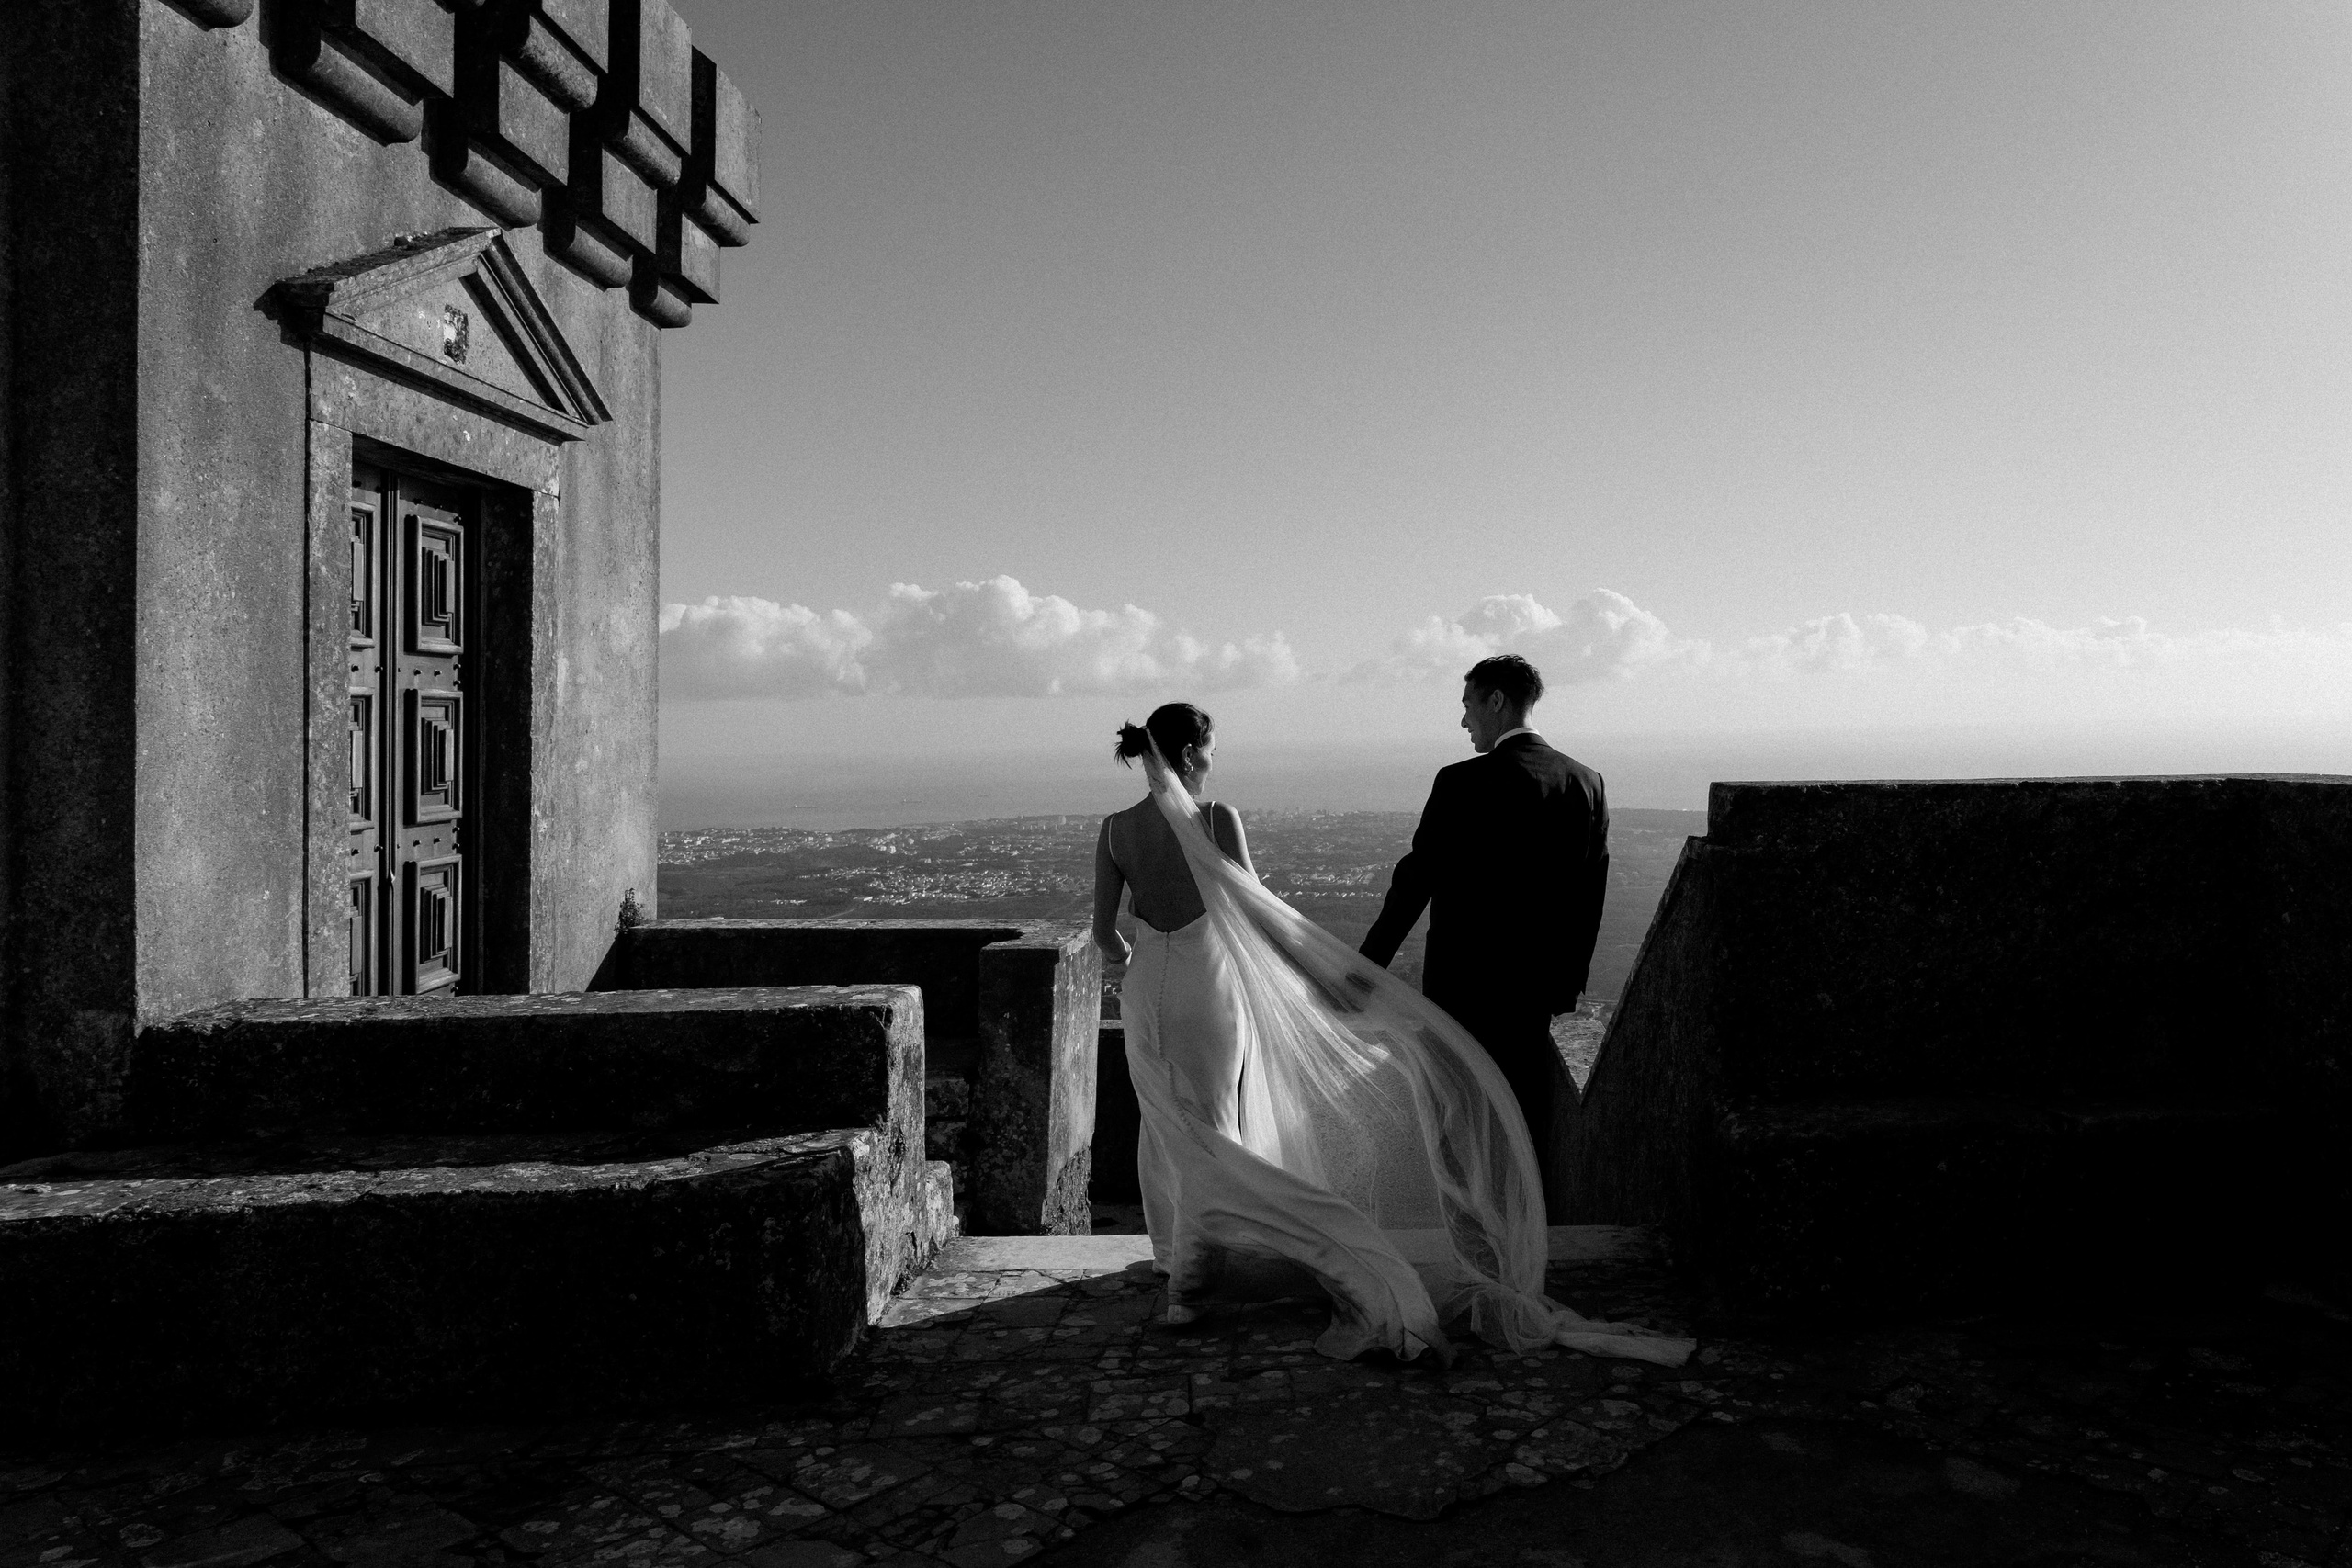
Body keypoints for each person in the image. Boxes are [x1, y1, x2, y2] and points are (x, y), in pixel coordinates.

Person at [1092, 700, 1686, 1368]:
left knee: (1166, 1123)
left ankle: (1173, 1257)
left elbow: (1102, 935)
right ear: (1193, 752)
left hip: (1145, 993)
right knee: (1215, 1122)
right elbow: (1255, 912)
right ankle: (1201, 1274)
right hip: (1209, 992)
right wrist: (1326, 979)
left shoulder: (1114, 830)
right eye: (1212, 746)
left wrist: (1136, 959)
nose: (1214, 758)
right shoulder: (1215, 818)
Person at [1359, 654, 1607, 1198]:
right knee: (1521, 1124)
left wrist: (1364, 970)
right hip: (1534, 992)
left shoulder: (1461, 782)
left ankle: (1471, 1243)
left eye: (1469, 704)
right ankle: (1523, 1245)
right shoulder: (1584, 782)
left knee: (1460, 1122)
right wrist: (1565, 986)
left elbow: (1414, 885)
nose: (1464, 720)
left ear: (1496, 701)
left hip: (1463, 989)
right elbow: (1588, 897)